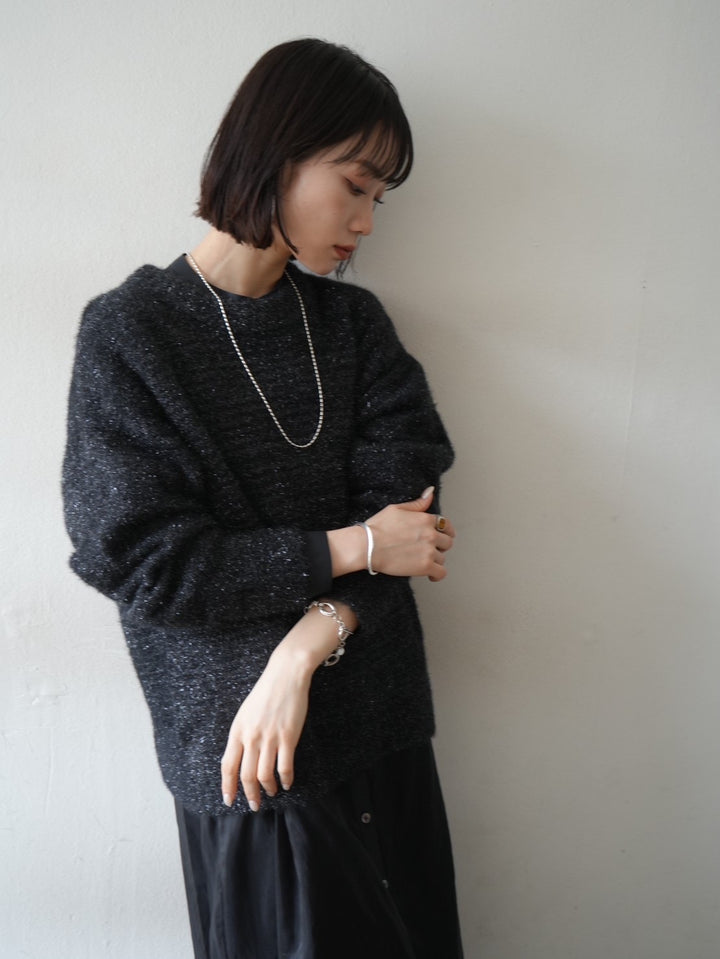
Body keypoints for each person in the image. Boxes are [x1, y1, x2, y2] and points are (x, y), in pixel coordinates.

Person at [63, 38, 463, 959]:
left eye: (380, 198)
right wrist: (354, 547)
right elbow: (148, 562)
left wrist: (304, 646)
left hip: (382, 736)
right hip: (253, 767)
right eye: (355, 185)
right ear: (276, 152)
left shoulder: (353, 327)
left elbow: (410, 525)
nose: (366, 221)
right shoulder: (132, 336)